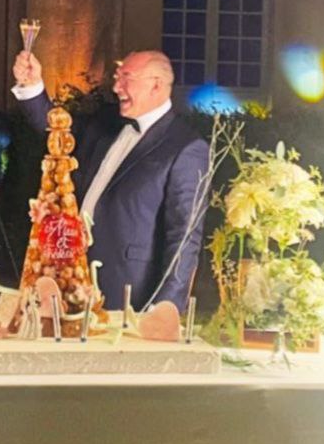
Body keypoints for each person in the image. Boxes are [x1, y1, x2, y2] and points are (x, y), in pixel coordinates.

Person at [12, 49, 209, 312]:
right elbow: (55, 131)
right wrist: (32, 85)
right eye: (117, 78)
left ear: (157, 85)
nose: (117, 87)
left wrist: (165, 309)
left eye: (127, 78)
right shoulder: (106, 123)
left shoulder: (185, 147)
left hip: (128, 291)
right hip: (71, 278)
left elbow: (184, 237)